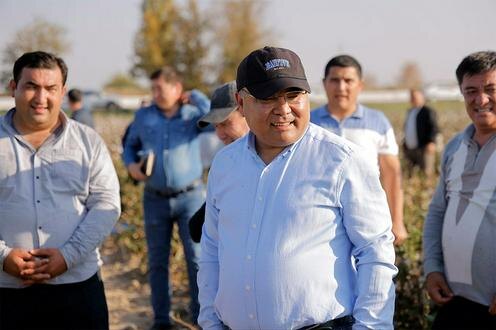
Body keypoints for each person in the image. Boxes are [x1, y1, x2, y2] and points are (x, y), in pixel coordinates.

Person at [198, 46, 397, 330]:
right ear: (241, 104)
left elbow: (375, 251)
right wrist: (209, 321)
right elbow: (212, 249)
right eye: (268, 98)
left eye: (293, 96)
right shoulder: (225, 164)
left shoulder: (342, 161)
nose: (283, 109)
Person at [0, 51, 121, 330]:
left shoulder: (87, 142)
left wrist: (68, 256)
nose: (41, 98)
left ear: (63, 91)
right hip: (7, 288)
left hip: (76, 285)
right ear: (13, 88)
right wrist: (3, 256)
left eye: (50, 88)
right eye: (31, 86)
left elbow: (107, 203)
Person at [122, 66, 210, 330]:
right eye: (154, 89)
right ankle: (161, 320)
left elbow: (215, 119)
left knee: (196, 260)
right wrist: (130, 165)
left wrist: (196, 96)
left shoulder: (192, 115)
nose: (157, 94)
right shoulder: (144, 116)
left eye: (161, 88)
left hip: (190, 197)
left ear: (177, 89)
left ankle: (199, 318)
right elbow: (130, 145)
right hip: (154, 198)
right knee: (158, 261)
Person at [423, 50, 496, 329]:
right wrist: (432, 268)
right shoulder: (455, 147)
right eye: (471, 91)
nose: (481, 100)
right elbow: (437, 212)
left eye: (491, 89)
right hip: (454, 301)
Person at [310, 55, 408, 245]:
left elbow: (391, 174)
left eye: (348, 81)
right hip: (319, 220)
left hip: (367, 218)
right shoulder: (309, 123)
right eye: (335, 80)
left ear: (360, 85)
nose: (341, 87)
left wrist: (397, 221)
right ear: (324, 83)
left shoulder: (377, 122)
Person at [189, 81, 249, 243]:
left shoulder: (276, 160)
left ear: (246, 110)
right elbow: (197, 229)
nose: (220, 134)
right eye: (216, 126)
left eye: (226, 123)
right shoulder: (227, 162)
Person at [403, 88, 440, 176]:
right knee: (411, 174)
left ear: (422, 97)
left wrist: (431, 142)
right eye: (412, 97)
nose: (413, 99)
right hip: (410, 149)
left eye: (415, 97)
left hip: (424, 148)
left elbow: (434, 128)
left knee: (426, 173)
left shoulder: (427, 111)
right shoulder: (410, 111)